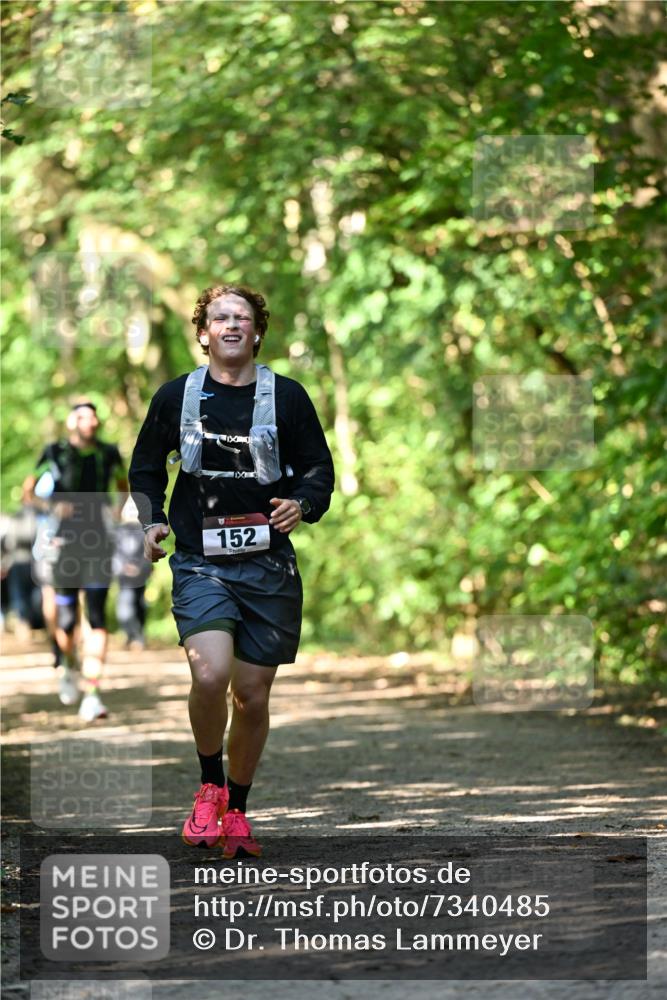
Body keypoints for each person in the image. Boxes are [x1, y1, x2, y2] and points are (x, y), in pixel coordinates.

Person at [129, 283, 334, 858]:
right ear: (204, 333)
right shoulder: (176, 396)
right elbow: (145, 467)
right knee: (210, 674)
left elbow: (318, 469)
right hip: (201, 562)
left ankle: (237, 811)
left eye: (242, 316)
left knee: (251, 696)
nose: (232, 324)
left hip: (268, 566)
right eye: (220, 317)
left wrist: (303, 503)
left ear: (258, 332)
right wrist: (152, 521)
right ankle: (208, 786)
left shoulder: (287, 396)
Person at [24, 401, 128, 721]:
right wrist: (51, 507)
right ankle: (68, 663)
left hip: (99, 542)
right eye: (83, 416)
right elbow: (29, 493)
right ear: (72, 422)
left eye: (94, 415)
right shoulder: (54, 452)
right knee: (67, 621)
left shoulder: (109, 453)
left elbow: (123, 487)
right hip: (64, 543)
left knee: (97, 617)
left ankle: (93, 693)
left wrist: (117, 509)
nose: (90, 421)